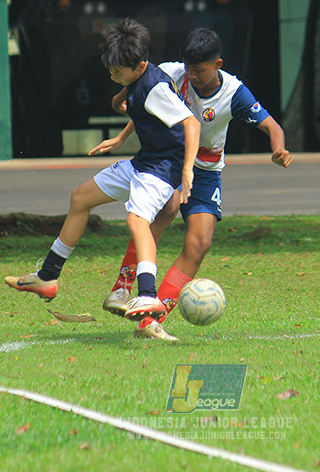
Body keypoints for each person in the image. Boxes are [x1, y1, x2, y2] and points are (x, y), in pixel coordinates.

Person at [89, 27, 292, 340]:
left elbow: (271, 125)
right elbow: (143, 102)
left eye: (199, 70)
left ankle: (150, 320)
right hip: (166, 160)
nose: (192, 76)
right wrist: (122, 129)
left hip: (205, 170)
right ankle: (123, 288)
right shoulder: (171, 73)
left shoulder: (235, 94)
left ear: (217, 64)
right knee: (159, 216)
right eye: (188, 68)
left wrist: (278, 150)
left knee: (200, 244)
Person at [5, 18, 201, 322]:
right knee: (81, 197)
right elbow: (141, 110)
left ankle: (148, 296)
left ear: (140, 65)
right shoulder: (138, 78)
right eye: (109, 71)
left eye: (118, 72)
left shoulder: (155, 86)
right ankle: (48, 276)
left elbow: (191, 123)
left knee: (138, 222)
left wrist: (187, 170)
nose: (113, 76)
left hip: (163, 168)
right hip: (143, 161)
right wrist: (121, 135)